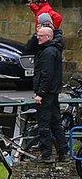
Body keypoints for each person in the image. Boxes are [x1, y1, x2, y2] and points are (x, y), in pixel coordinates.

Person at [24, 24, 68, 161]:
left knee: (44, 124)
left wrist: (40, 94)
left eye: (40, 36)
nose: (38, 38)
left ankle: (46, 154)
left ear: (48, 37)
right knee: (56, 123)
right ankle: (63, 152)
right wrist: (36, 32)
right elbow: (28, 48)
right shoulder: (52, 49)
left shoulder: (48, 52)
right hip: (53, 93)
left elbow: (46, 75)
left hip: (47, 93)